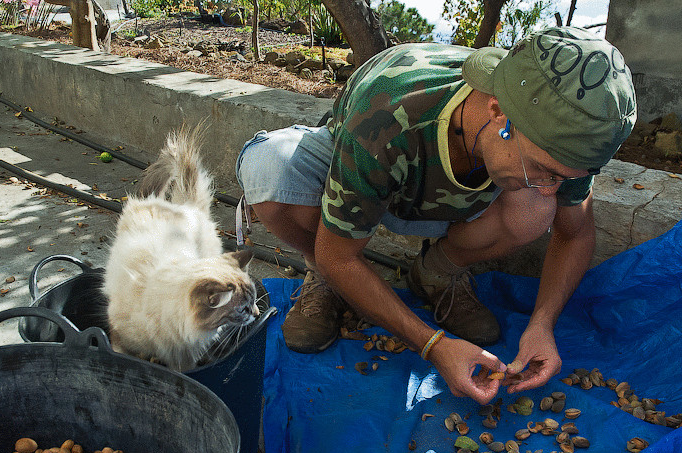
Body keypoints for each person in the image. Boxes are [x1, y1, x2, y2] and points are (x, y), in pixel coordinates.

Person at [235, 27, 636, 404]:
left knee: (536, 209)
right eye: (544, 171)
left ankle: (437, 274)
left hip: (453, 199)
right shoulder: (387, 113)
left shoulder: (559, 134)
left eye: (563, 177)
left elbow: (574, 234)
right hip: (363, 176)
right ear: (498, 113)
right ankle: (321, 277)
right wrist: (434, 346)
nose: (552, 187)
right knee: (269, 169)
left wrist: (542, 323)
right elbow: (341, 256)